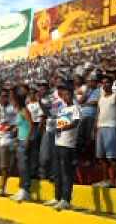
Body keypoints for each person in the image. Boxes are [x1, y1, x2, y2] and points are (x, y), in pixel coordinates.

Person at [44, 78, 80, 211]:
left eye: (67, 94)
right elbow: (57, 121)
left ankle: (66, 199)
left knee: (66, 172)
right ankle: (57, 197)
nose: (65, 96)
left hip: (68, 144)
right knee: (57, 172)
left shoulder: (75, 107)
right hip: (58, 142)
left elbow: (75, 123)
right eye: (63, 94)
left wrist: (61, 128)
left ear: (71, 94)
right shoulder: (62, 108)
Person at [94, 76, 116, 188]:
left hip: (112, 127)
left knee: (112, 157)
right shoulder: (101, 98)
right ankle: (105, 180)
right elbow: (98, 114)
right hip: (100, 128)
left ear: (112, 84)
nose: (105, 84)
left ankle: (112, 181)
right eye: (103, 83)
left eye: (107, 82)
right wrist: (95, 128)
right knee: (101, 157)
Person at [11, 90, 34, 202]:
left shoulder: (25, 110)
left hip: (24, 140)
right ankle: (22, 189)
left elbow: (31, 124)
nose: (12, 102)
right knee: (21, 166)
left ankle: (26, 189)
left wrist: (27, 139)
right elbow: (20, 126)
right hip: (19, 140)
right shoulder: (18, 111)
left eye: (14, 100)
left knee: (24, 166)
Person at [26, 83, 44, 178]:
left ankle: (34, 171)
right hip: (28, 128)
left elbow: (41, 118)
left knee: (35, 151)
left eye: (33, 93)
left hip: (36, 126)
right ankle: (29, 170)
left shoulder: (38, 104)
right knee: (28, 150)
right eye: (30, 93)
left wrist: (39, 131)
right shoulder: (28, 105)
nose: (31, 95)